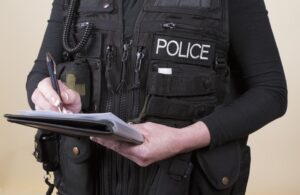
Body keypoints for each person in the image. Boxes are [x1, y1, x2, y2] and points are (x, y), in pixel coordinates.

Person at [26, 0, 287, 194]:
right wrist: (48, 95)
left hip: (185, 183)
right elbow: (39, 76)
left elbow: (271, 92)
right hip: (86, 181)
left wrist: (183, 139)